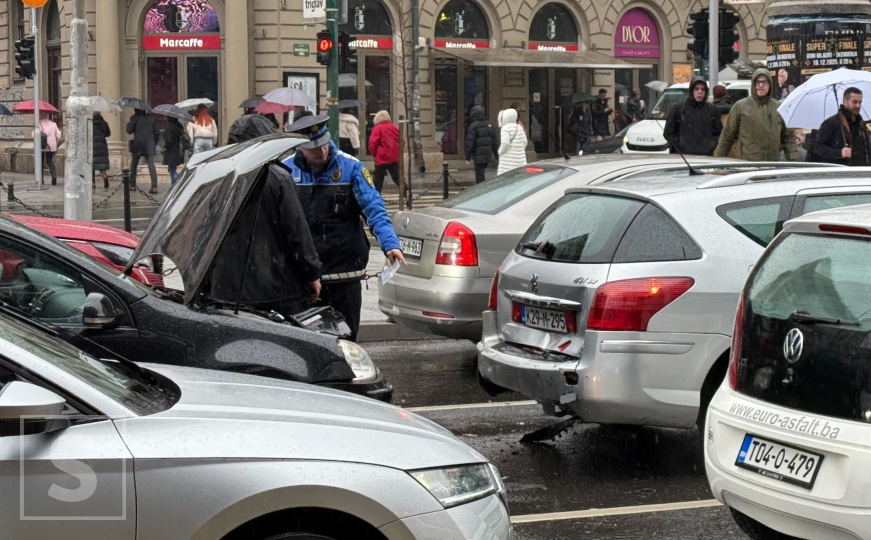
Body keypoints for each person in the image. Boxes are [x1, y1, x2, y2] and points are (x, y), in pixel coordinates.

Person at [282, 115, 406, 342]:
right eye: (313, 148)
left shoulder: (351, 167)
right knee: (306, 345)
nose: (321, 152)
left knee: (348, 343)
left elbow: (374, 208)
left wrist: (390, 244)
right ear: (299, 146)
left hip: (344, 274)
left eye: (324, 144)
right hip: (303, 278)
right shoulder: (285, 172)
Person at [208, 163, 322, 318]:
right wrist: (312, 274)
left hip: (227, 290)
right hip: (276, 289)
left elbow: (206, 234)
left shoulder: (222, 178)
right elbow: (297, 231)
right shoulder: (278, 177)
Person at [714, 68, 798, 161]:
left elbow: (789, 138)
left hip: (772, 166)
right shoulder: (740, 107)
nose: (761, 86)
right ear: (753, 84)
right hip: (747, 166)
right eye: (758, 82)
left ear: (770, 85)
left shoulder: (779, 108)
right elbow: (727, 137)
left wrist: (793, 160)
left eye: (765, 82)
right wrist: (718, 160)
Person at [811, 87, 871, 166]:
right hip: (841, 172)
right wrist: (839, 153)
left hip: (862, 171)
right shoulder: (831, 123)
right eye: (854, 102)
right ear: (845, 101)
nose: (858, 105)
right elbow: (817, 147)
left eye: (860, 102)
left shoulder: (861, 123)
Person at [663, 77, 723, 156]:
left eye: (703, 89)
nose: (700, 92)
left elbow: (720, 132)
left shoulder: (712, 110)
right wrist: (681, 145)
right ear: (691, 90)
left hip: (706, 156)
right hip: (683, 156)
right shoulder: (678, 109)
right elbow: (668, 132)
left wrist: (711, 145)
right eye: (696, 89)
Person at [126, 108, 160, 193]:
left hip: (138, 144)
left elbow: (129, 130)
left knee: (134, 164)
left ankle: (132, 185)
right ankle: (154, 186)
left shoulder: (134, 118)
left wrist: (129, 123)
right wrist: (154, 142)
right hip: (149, 144)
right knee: (151, 165)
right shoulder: (152, 118)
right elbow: (157, 132)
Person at [368, 110, 400, 193]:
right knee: (398, 178)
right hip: (394, 157)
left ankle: (376, 197)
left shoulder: (377, 128)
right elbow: (402, 141)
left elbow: (372, 143)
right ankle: (407, 194)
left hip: (381, 157)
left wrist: (375, 154)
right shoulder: (395, 127)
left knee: (378, 181)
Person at [464, 105, 497, 184]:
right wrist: (496, 154)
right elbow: (494, 141)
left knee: (479, 174)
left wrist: (467, 157)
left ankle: (480, 190)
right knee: (482, 172)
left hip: (478, 155)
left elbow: (469, 142)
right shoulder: (488, 125)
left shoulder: (473, 126)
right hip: (487, 154)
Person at [32, 113, 62, 186]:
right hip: (51, 145)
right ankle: (53, 174)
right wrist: (56, 141)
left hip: (41, 145)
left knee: (40, 162)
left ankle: (41, 179)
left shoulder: (39, 123)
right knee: (49, 160)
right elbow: (59, 134)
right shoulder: (53, 124)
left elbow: (33, 135)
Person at [497, 108, 527, 175]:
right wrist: (518, 149)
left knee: (506, 179)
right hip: (520, 161)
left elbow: (505, 144)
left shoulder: (505, 128)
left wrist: (500, 151)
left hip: (507, 163)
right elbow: (525, 142)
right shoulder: (519, 127)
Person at [162, 117, 187, 186]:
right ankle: (177, 182)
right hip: (178, 150)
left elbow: (169, 140)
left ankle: (176, 185)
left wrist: (165, 147)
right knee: (172, 169)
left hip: (172, 151)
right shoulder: (179, 126)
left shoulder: (170, 127)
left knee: (172, 170)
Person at [92, 112, 111, 189]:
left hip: (92, 145)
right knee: (102, 164)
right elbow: (108, 134)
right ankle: (104, 176)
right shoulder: (104, 123)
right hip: (102, 145)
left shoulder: (90, 123)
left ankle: (92, 183)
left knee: (91, 165)